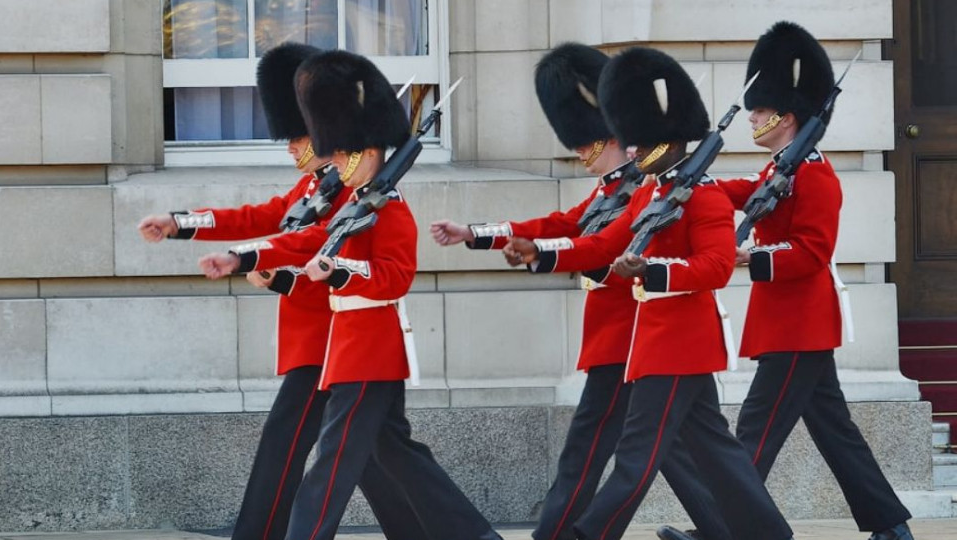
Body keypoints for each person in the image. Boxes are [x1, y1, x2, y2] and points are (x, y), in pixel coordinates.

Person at [430, 42, 729, 540]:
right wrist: (477, 232)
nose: (579, 151)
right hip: (627, 335)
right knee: (676, 447)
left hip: (635, 334)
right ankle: (725, 529)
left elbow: (592, 244)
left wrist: (537, 251)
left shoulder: (645, 185)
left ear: (613, 133)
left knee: (596, 447)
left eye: (587, 142)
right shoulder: (614, 185)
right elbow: (564, 222)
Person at [504, 46, 794, 540]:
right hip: (654, 343)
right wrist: (539, 253)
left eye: (640, 142)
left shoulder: (703, 196)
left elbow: (718, 266)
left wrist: (653, 271)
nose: (631, 150)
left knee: (636, 456)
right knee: (720, 456)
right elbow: (600, 244)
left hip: (679, 345)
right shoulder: (649, 194)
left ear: (669, 140)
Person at [137, 43, 425, 540]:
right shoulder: (316, 189)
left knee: (292, 445)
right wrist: (181, 223)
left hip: (332, 338)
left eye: (299, 136)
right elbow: (260, 218)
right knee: (379, 455)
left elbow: (308, 245)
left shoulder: (353, 195)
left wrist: (249, 259)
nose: (291, 146)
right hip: (320, 339)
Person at [663, 21, 914, 540]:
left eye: (760, 109)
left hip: (799, 323)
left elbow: (813, 252)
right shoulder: (781, 170)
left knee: (753, 433)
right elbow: (743, 190)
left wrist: (749, 256)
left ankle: (721, 528)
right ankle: (890, 526)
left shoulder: (815, 174)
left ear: (787, 114)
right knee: (836, 433)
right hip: (792, 324)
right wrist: (695, 183)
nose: (753, 117)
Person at [282, 49, 502, 540]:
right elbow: (314, 248)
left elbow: (393, 277)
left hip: (372, 351)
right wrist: (272, 267)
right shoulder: (354, 204)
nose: (335, 162)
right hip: (352, 348)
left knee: (332, 464)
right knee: (393, 453)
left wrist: (336, 269)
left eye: (342, 152)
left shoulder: (391, 210)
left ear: (369, 149)